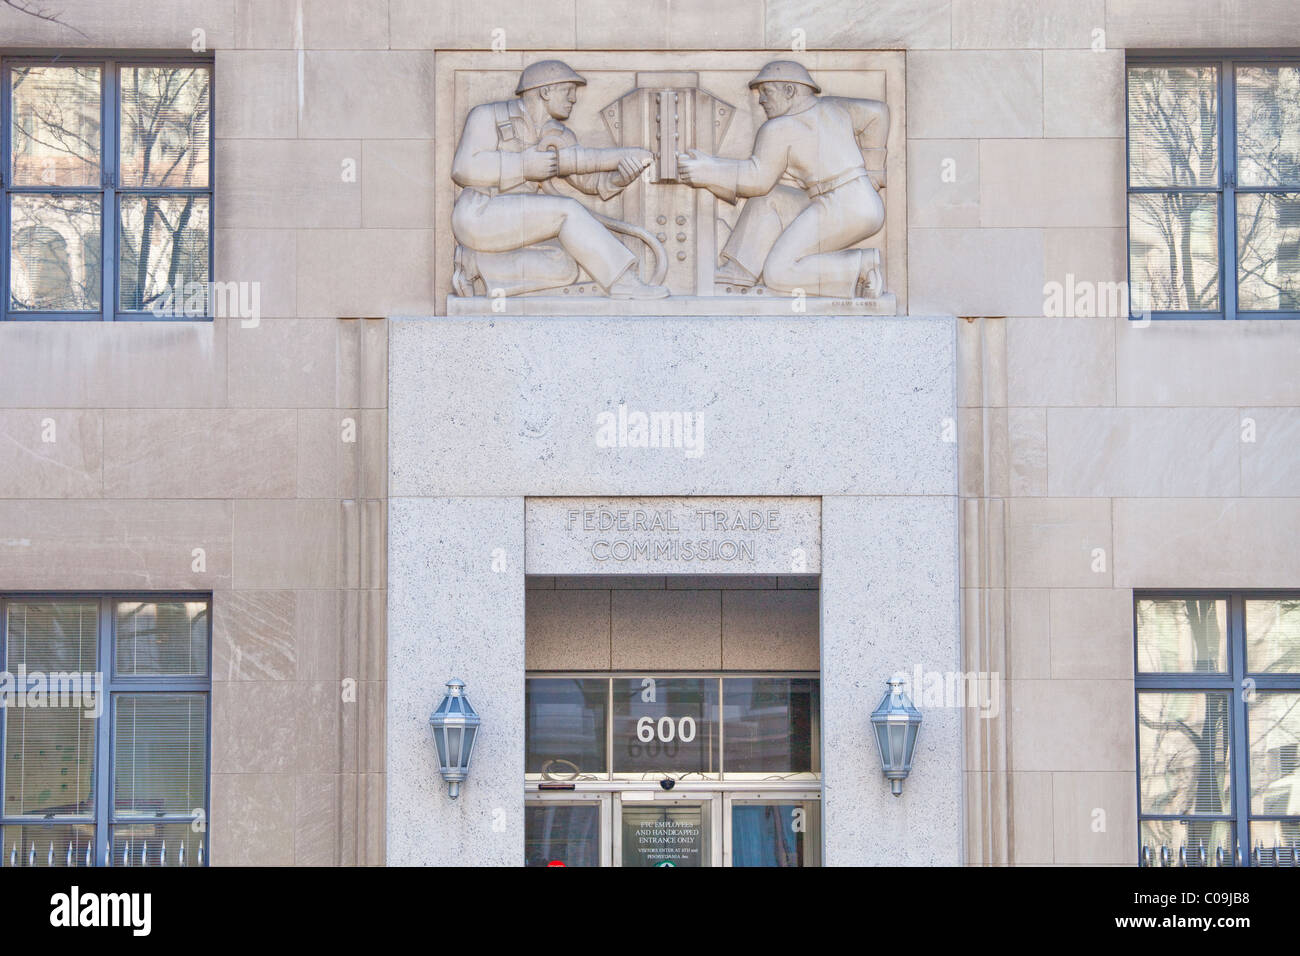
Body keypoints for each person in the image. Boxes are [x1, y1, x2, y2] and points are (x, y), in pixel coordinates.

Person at [450, 59, 668, 299]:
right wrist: (524, 165)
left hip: (517, 225)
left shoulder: (560, 134)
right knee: (567, 211)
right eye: (568, 91)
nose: (573, 98)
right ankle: (622, 281)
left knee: (564, 265)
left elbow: (590, 183)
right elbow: (463, 168)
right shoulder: (488, 115)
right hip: (478, 213)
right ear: (545, 91)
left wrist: (619, 178)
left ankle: (474, 263)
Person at [677, 60, 888, 299]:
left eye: (766, 91)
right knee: (772, 198)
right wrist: (873, 172)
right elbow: (878, 114)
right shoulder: (835, 106)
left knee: (778, 273)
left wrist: (707, 171)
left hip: (844, 208)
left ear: (790, 90)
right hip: (850, 201)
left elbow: (757, 178)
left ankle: (861, 267)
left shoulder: (779, 127)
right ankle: (742, 268)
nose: (760, 100)